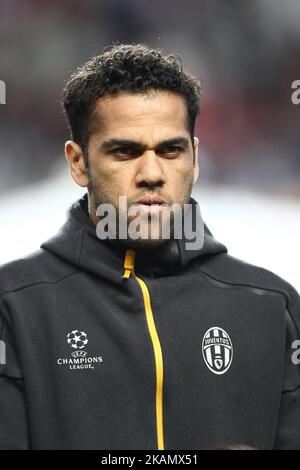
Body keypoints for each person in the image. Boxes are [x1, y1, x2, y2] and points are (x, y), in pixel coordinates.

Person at [0, 43, 300, 450]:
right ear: (78, 163)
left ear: (194, 159)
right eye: (125, 151)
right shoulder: (14, 306)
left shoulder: (273, 306)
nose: (151, 174)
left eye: (170, 150)